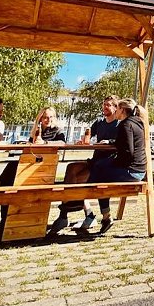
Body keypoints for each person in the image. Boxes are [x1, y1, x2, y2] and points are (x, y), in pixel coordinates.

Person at [48, 96, 120, 235]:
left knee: (82, 179)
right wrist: (82, 140)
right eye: (104, 104)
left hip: (108, 163)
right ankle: (69, 213)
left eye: (109, 105)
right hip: (95, 160)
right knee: (71, 168)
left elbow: (121, 141)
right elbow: (88, 135)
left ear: (116, 108)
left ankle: (81, 213)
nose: (105, 107)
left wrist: (109, 142)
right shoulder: (99, 122)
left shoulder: (118, 124)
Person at [85, 98, 148, 234]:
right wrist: (111, 141)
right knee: (100, 165)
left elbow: (128, 152)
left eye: (118, 108)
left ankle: (97, 205)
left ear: (122, 110)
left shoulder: (125, 125)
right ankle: (100, 208)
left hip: (132, 171)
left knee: (99, 174)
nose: (117, 111)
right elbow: (125, 142)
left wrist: (116, 162)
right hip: (139, 169)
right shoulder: (137, 123)